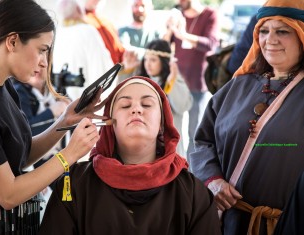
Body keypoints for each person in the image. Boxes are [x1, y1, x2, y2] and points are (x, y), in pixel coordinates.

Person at [0, 0, 105, 233]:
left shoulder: (3, 86)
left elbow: (18, 157)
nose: (44, 62)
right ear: (12, 41)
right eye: (42, 50)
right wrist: (69, 154)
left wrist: (64, 121)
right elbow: (8, 194)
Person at [38, 76, 221, 235]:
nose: (136, 109)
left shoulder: (193, 193)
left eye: (147, 104)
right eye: (125, 105)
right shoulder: (76, 183)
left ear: (162, 123)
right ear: (109, 123)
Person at [190, 0, 304, 234]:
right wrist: (212, 180)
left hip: (287, 225)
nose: (270, 39)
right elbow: (203, 141)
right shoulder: (237, 87)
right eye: (263, 30)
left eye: (282, 31)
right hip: (226, 223)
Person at [164, 0, 219, 158]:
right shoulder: (177, 15)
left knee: (196, 135)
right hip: (177, 84)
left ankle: (191, 176)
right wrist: (170, 29)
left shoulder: (210, 15)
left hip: (198, 84)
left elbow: (210, 44)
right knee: (173, 131)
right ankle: (177, 169)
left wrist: (183, 35)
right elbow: (163, 44)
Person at [119, 39, 193, 155]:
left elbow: (183, 106)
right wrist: (128, 71)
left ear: (164, 62)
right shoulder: (140, 79)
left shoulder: (174, 80)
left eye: (153, 60)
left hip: (167, 146)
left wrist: (171, 83)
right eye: (146, 59)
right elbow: (122, 100)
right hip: (144, 146)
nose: (147, 64)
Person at [54, 0, 114, 101]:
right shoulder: (87, 30)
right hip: (86, 100)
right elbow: (102, 66)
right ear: (78, 10)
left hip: (64, 100)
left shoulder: (57, 33)